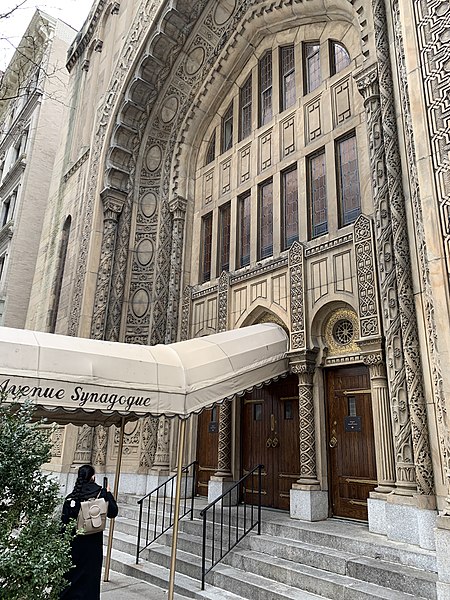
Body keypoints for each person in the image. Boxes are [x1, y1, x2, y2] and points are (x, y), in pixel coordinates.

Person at [60, 464, 118, 599]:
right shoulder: (101, 493)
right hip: (93, 544)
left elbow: (64, 521)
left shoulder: (72, 496)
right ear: (93, 477)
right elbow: (113, 512)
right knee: (90, 579)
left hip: (75, 544)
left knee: (72, 577)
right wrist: (108, 493)